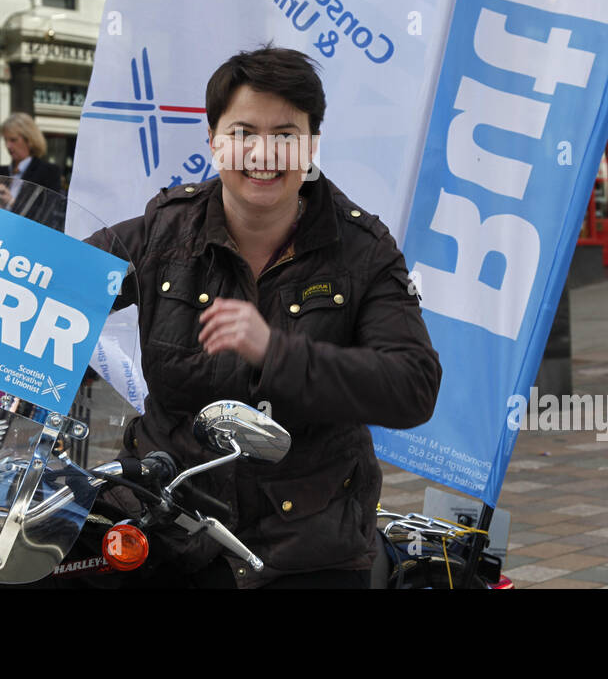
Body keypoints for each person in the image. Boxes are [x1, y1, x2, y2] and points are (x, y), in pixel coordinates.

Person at [85, 45, 441, 589]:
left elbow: (414, 387)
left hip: (304, 546)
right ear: (213, 140)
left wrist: (276, 352)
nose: (263, 153)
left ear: (311, 144)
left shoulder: (363, 250)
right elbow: (56, 283)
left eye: (285, 134)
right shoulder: (163, 231)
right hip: (164, 522)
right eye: (244, 132)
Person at [0, 113, 63, 225]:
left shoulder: (49, 172)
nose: (8, 146)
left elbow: (48, 214)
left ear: (30, 141)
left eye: (13, 140)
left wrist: (13, 203)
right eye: (6, 140)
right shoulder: (1, 171)